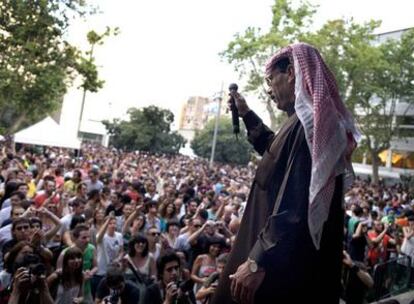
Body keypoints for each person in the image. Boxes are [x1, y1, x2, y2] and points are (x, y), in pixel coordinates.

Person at [211, 43, 359, 304]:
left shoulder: (310, 126)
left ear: (290, 72)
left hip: (279, 271)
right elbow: (273, 152)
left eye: (271, 80)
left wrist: (258, 260)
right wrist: (246, 114)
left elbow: (296, 205)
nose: (269, 89)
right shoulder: (297, 123)